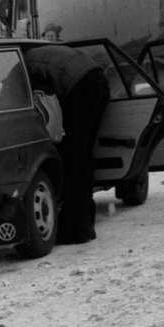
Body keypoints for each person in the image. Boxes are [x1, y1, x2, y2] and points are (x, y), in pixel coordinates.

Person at [24, 45, 109, 244]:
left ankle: (76, 229)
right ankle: (85, 223)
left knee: (73, 155)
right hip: (98, 78)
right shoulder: (34, 54)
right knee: (83, 154)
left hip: (80, 84)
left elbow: (44, 101)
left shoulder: (19, 64)